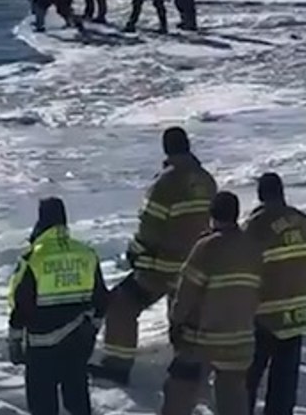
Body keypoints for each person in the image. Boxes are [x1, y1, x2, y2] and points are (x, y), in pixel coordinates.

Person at [93, 127, 217, 386]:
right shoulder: (207, 181)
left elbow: (149, 226)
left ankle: (117, 367)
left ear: (166, 149)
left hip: (162, 267)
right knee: (182, 317)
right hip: (197, 266)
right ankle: (190, 370)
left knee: (121, 306)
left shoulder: (164, 183)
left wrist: (135, 252)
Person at [160, 191, 263, 415]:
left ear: (211, 214)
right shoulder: (253, 249)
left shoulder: (207, 247)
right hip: (241, 341)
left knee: (178, 393)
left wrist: (176, 323)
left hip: (202, 340)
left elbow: (186, 292)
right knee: (233, 400)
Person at [8, 197, 108, 415]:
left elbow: (20, 304)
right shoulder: (86, 254)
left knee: (43, 404)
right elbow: (101, 298)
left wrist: (15, 341)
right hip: (78, 341)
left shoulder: (34, 257)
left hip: (42, 346)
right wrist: (93, 328)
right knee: (78, 399)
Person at [244, 173, 306, 415]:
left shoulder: (257, 225)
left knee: (247, 379)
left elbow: (243, 267)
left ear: (260, 194)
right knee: (285, 384)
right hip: (297, 313)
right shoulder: (304, 222)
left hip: (264, 315)